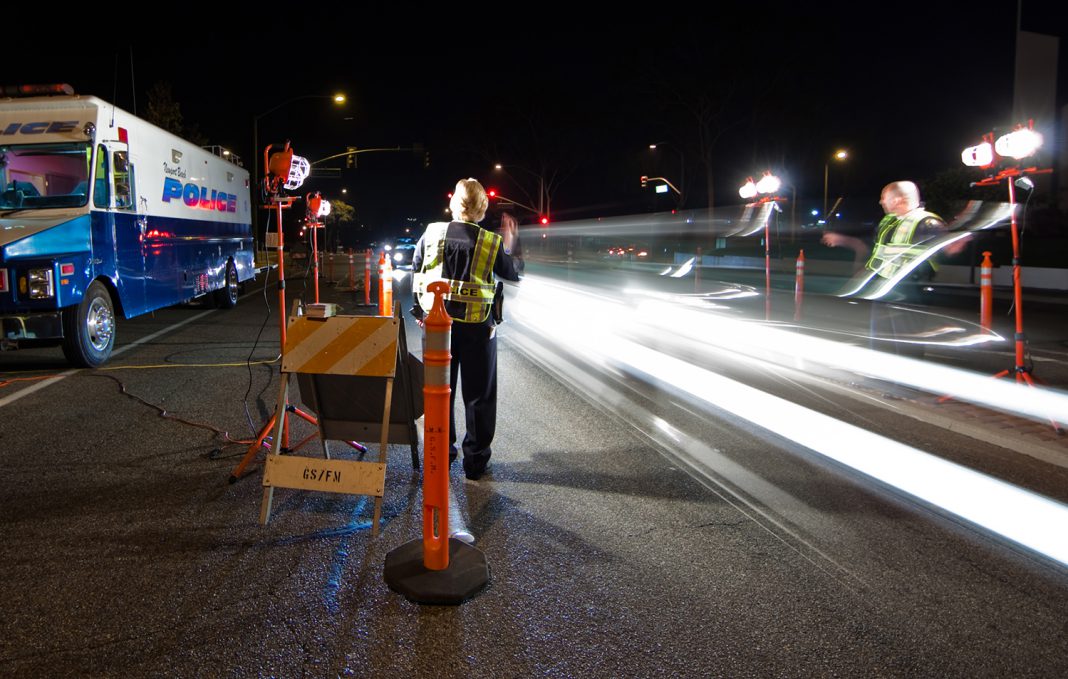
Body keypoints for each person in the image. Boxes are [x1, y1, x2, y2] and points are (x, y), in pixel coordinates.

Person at [411, 178, 520, 480]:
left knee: (438, 393)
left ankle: (440, 454)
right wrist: (509, 244)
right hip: (477, 329)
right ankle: (475, 462)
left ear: (453, 204)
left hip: (436, 324)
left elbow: (417, 269)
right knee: (479, 396)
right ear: (483, 207)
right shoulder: (490, 242)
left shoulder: (431, 233)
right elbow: (512, 274)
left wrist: (420, 311)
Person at [822, 180, 958, 355]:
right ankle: (878, 378)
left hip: (912, 294)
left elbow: (949, 250)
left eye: (884, 198)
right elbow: (876, 250)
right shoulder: (888, 221)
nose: (881, 202)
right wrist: (845, 242)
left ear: (898, 200)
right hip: (886, 290)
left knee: (907, 344)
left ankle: (905, 379)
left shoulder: (927, 222)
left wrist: (956, 244)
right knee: (881, 340)